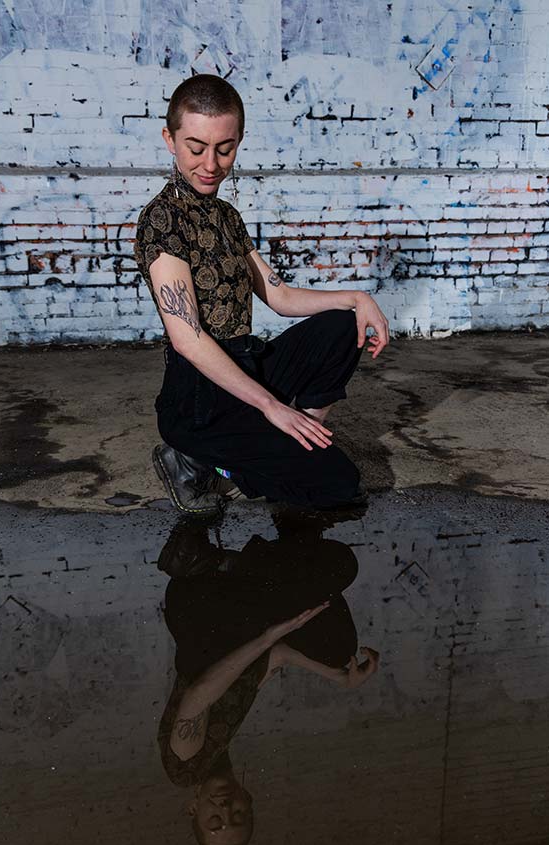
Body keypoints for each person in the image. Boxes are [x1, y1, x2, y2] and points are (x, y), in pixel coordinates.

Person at [134, 74, 390, 516]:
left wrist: (355, 298)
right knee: (340, 486)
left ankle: (284, 450)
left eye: (225, 147)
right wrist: (272, 407)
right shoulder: (163, 221)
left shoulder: (227, 216)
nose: (211, 163)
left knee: (342, 326)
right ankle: (203, 463)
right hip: (200, 401)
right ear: (169, 139)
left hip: (245, 367)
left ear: (239, 140)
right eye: (196, 148)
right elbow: (187, 338)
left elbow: (280, 296)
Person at [156, 518, 379, 845]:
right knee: (336, 650)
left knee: (338, 568)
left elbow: (199, 692)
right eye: (239, 816)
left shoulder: (185, 770)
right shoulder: (221, 746)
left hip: (202, 609)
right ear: (248, 799)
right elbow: (277, 657)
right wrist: (338, 677)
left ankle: (214, 560)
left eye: (215, 821)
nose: (226, 809)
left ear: (193, 810)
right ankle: (287, 539)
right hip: (229, 616)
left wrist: (268, 635)